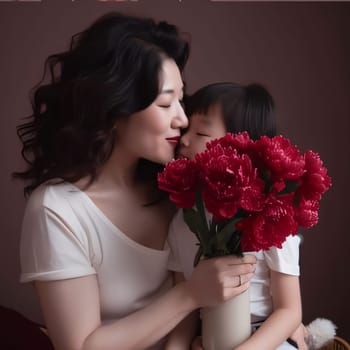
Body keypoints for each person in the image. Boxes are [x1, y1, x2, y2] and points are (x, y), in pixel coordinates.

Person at [13, 13, 257, 350]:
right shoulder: (57, 210)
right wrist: (190, 294)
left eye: (181, 100)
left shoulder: (179, 189)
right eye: (165, 103)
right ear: (113, 109)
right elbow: (80, 346)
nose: (182, 119)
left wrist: (284, 324)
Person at [166, 82, 306, 350]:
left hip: (266, 339)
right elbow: (183, 311)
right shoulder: (181, 222)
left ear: (242, 149)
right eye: (186, 129)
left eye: (201, 132)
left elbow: (289, 311)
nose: (183, 139)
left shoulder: (271, 217)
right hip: (212, 337)